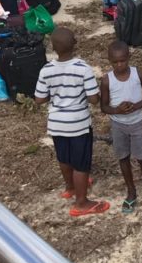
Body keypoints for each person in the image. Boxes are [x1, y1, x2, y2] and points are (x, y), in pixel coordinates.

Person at [34, 27, 109, 217]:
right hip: (78, 123)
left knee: (64, 157)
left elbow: (39, 99)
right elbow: (93, 99)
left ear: (53, 47)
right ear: (75, 43)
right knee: (81, 164)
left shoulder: (46, 70)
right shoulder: (83, 69)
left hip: (57, 123)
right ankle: (82, 202)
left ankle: (70, 188)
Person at [100, 41, 142, 213]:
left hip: (136, 123)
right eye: (115, 62)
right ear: (109, 61)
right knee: (123, 158)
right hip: (118, 124)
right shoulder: (107, 80)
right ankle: (131, 191)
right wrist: (117, 110)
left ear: (129, 58)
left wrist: (136, 106)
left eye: (123, 61)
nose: (119, 65)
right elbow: (103, 107)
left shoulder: (139, 74)